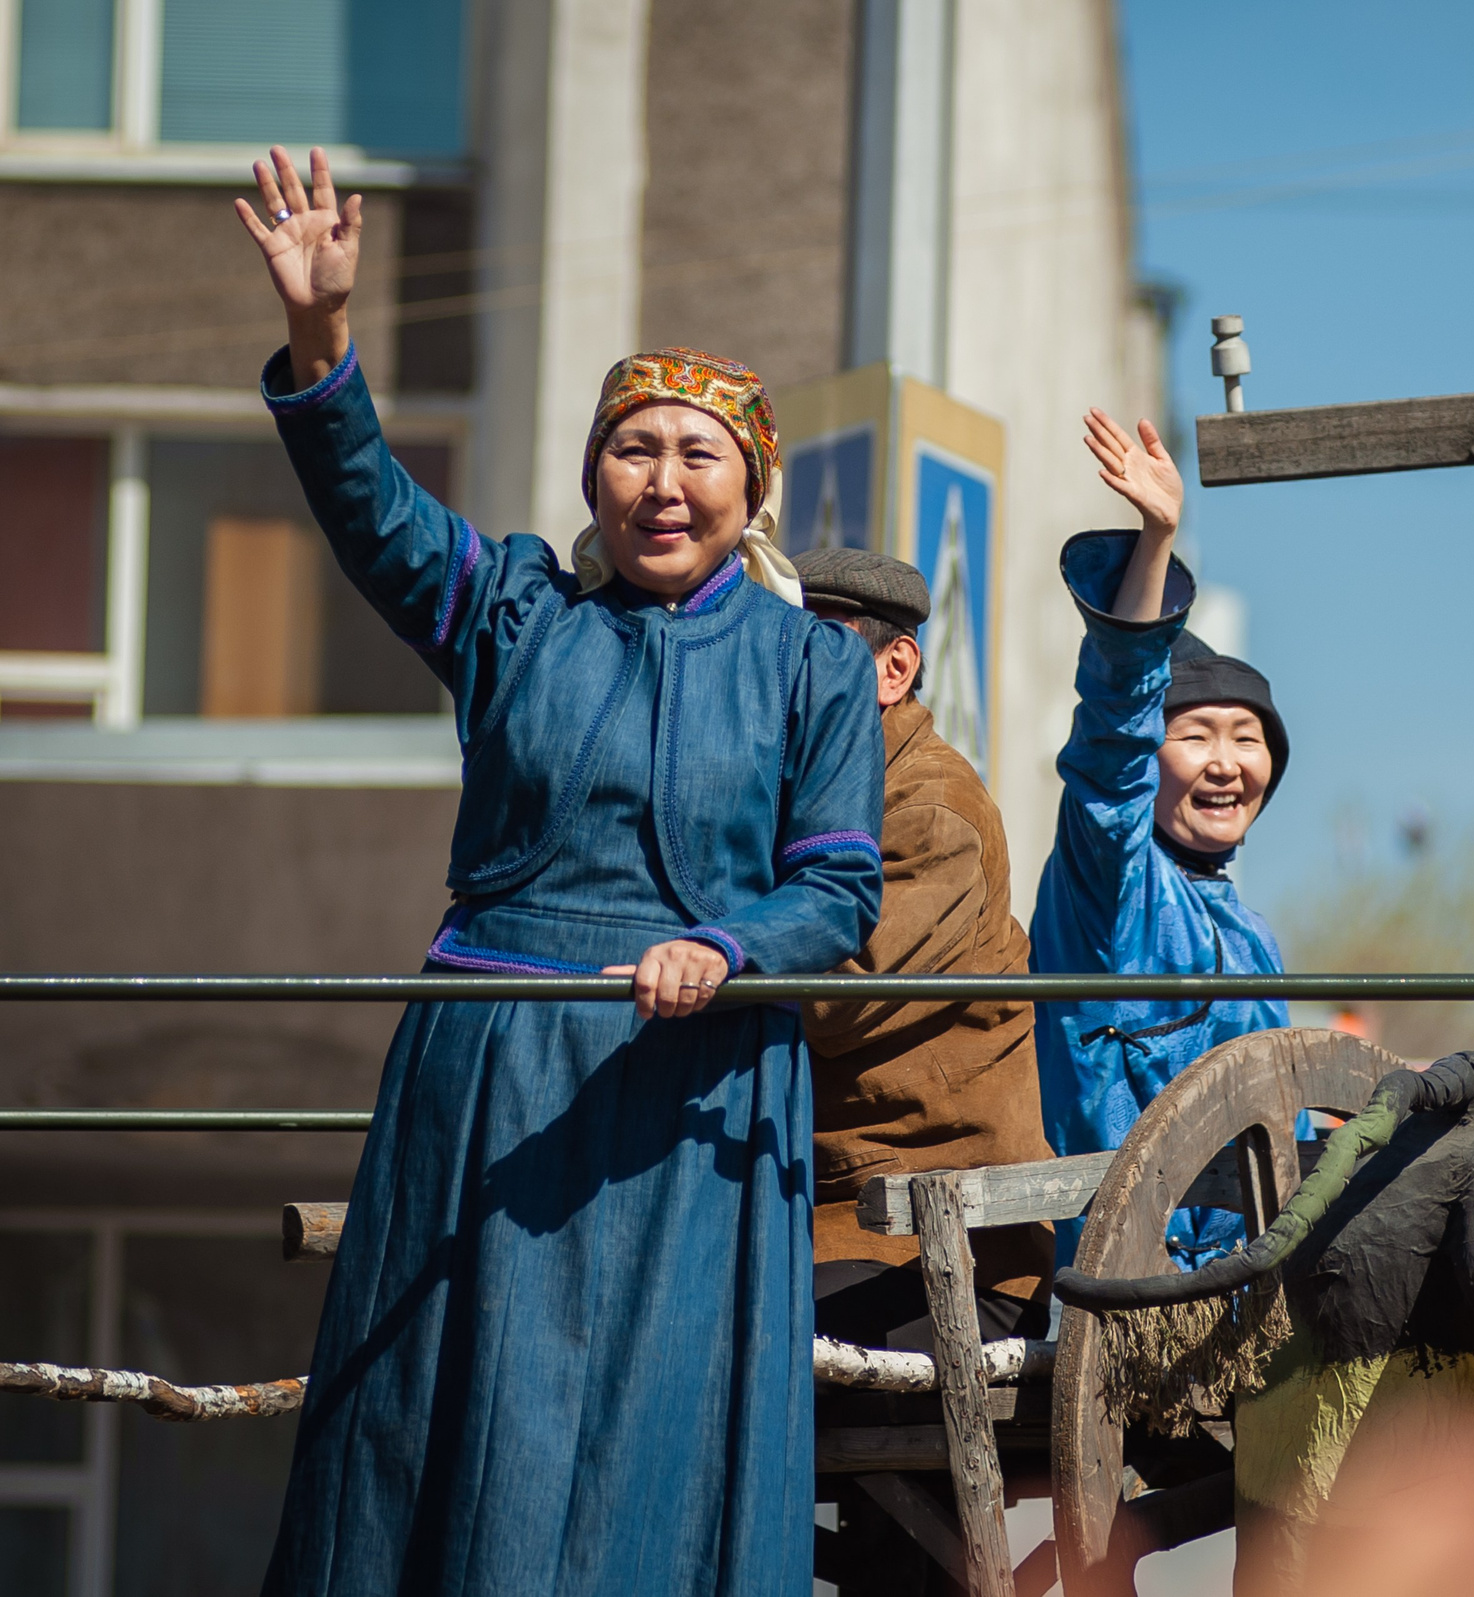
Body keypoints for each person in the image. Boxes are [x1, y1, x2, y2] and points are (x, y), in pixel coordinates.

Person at [237, 148, 884, 1597]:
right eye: (632, 450)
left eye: (698, 454)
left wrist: (725, 949)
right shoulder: (514, 610)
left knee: (654, 1444)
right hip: (491, 1077)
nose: (663, 483)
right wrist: (324, 337)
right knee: (451, 1418)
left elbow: (839, 894)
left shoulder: (813, 669)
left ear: (753, 487)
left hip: (699, 1090)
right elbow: (370, 510)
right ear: (594, 472)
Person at [1030, 409, 1292, 1265]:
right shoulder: (1116, 888)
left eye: (1247, 738)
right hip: (1147, 1285)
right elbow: (1111, 748)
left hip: (1264, 1287)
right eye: (1197, 735)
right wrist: (1156, 542)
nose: (1226, 763)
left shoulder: (1253, 935)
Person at [790, 546, 1055, 1345]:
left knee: (721, 1359)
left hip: (936, 1254)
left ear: (894, 666)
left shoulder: (930, 810)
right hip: (831, 1222)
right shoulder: (807, 795)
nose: (778, 685)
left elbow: (835, 1001)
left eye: (810, 653)